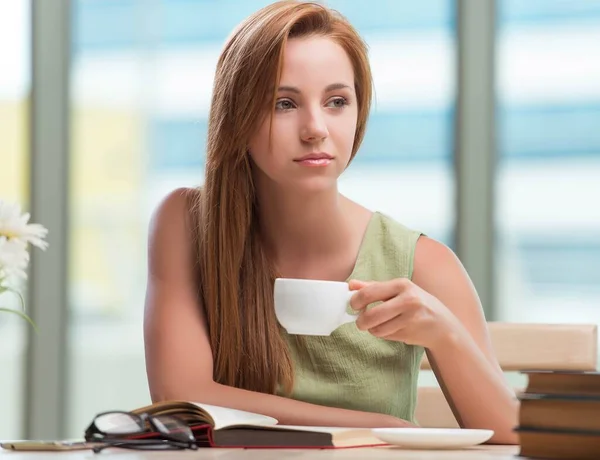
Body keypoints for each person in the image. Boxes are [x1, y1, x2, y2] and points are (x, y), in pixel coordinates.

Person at [143, 0, 518, 444]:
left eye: (337, 101)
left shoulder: (424, 263)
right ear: (237, 116)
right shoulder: (185, 224)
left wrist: (445, 335)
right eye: (284, 104)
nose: (315, 128)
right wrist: (385, 429)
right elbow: (183, 397)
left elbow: (512, 434)